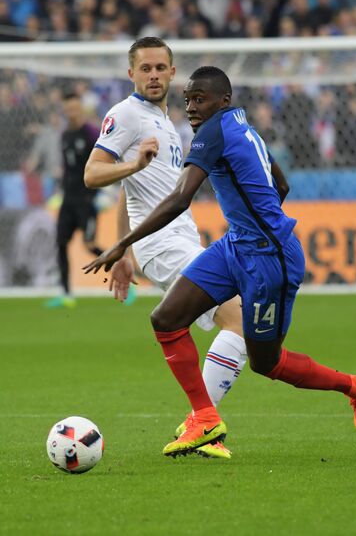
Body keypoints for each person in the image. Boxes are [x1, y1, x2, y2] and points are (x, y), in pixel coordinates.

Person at [84, 66, 356, 458]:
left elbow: (179, 200)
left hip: (267, 259)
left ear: (222, 100)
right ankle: (206, 418)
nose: (191, 107)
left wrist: (120, 244)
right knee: (166, 318)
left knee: (266, 361)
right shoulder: (242, 123)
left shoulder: (213, 132)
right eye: (188, 98)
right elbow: (282, 184)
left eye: (200, 99)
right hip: (236, 245)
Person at [84, 37, 247, 460]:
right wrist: (133, 165)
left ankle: (202, 422)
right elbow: (93, 173)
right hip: (165, 245)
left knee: (238, 322)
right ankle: (202, 422)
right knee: (240, 321)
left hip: (172, 241)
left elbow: (130, 192)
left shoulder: (166, 121)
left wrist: (123, 253)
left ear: (172, 73)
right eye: (145, 68)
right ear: (131, 74)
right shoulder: (125, 115)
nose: (153, 75)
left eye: (161, 68)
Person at [46, 92, 104, 308]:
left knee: (90, 245)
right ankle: (66, 293)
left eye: (74, 108)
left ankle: (124, 272)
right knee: (61, 243)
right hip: (68, 199)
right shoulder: (65, 135)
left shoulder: (91, 133)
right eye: (67, 109)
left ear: (81, 108)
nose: (71, 112)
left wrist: (102, 193)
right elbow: (67, 168)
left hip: (87, 199)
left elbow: (103, 163)